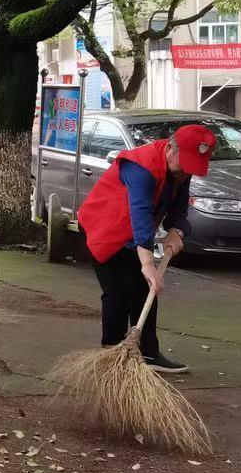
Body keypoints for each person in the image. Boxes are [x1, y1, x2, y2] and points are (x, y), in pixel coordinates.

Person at [76, 123, 215, 374]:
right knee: (118, 291)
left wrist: (177, 230)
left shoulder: (182, 170)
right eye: (184, 164)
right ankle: (112, 355)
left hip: (136, 234)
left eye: (193, 166)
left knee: (144, 289)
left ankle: (149, 353)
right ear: (170, 147)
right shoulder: (141, 166)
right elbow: (140, 215)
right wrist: (148, 264)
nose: (186, 172)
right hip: (105, 229)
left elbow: (179, 209)